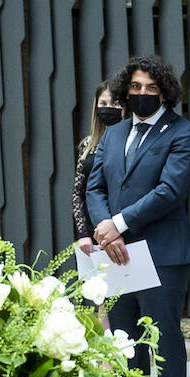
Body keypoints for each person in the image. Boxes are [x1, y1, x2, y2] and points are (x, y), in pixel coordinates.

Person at [85, 55, 190, 377]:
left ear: (165, 92)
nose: (142, 95)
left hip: (161, 255)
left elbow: (170, 191)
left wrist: (119, 224)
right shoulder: (114, 133)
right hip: (116, 254)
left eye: (151, 89)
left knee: (164, 342)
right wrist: (105, 230)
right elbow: (94, 187)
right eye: (135, 88)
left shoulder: (184, 134)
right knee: (125, 342)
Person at [73, 73, 126, 256]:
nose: (108, 108)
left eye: (115, 104)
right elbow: (78, 192)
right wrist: (82, 234)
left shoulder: (131, 142)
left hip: (124, 229)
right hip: (93, 234)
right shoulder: (87, 145)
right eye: (103, 104)